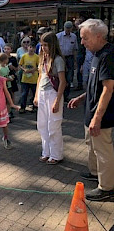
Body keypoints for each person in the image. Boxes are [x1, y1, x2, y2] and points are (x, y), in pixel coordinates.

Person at [68, 19, 114, 201]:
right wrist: (82, 97)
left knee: (103, 152)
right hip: (90, 111)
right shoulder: (96, 53)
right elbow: (95, 84)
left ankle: (107, 187)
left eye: (85, 38)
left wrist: (97, 117)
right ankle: (96, 174)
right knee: (92, 147)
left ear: (98, 36)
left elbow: (108, 88)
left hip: (102, 116)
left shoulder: (108, 55)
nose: (82, 42)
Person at [33, 32, 66, 165]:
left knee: (54, 124)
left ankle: (56, 154)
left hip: (53, 93)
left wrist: (57, 101)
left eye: (46, 45)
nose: (43, 48)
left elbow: (63, 82)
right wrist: (36, 95)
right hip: (42, 93)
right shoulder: (43, 59)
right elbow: (40, 78)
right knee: (42, 124)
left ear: (52, 45)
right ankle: (46, 152)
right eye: (42, 45)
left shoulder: (58, 60)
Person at [56, 21, 78, 102]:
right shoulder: (58, 36)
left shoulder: (74, 37)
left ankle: (66, 95)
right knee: (60, 76)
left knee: (69, 77)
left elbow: (75, 49)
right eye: (67, 28)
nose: (68, 30)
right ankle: (59, 94)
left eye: (69, 28)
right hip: (61, 57)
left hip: (70, 58)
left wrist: (75, 61)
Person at [18, 42, 39, 114]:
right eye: (30, 47)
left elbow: (39, 66)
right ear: (27, 48)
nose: (31, 49)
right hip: (25, 78)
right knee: (24, 93)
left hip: (34, 78)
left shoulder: (37, 57)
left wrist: (33, 70)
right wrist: (24, 69)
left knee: (34, 93)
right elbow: (20, 64)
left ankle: (35, 106)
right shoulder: (24, 56)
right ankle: (22, 107)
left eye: (33, 47)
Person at [4, 43, 18, 108]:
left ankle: (12, 105)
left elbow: (17, 69)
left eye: (8, 49)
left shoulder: (13, 59)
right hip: (4, 76)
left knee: (12, 91)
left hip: (12, 76)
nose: (6, 50)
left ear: (11, 50)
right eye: (5, 49)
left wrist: (12, 67)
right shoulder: (2, 58)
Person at [74, 18, 86, 90]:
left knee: (80, 69)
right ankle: (80, 84)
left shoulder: (81, 33)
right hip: (79, 52)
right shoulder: (76, 33)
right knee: (78, 69)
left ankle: (80, 84)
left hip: (82, 52)